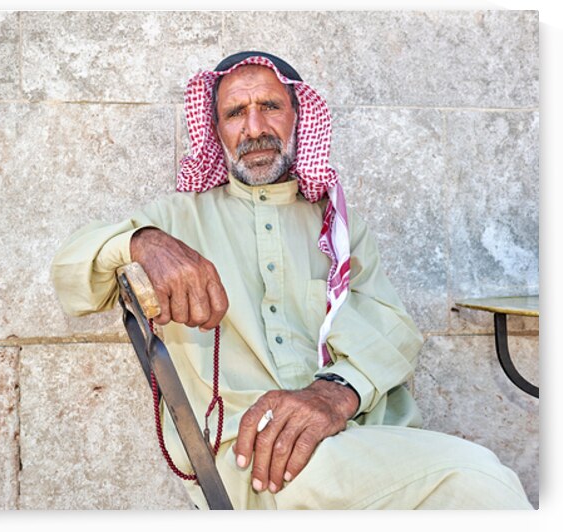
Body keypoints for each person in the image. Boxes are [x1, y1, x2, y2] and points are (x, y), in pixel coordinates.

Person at [50, 51, 531, 510]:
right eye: (236, 112)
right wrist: (144, 243)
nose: (254, 128)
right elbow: (69, 276)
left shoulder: (338, 225)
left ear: (299, 117)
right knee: (478, 481)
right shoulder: (176, 221)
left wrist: (334, 394)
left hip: (360, 436)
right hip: (255, 456)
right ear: (215, 129)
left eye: (270, 107)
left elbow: (393, 328)